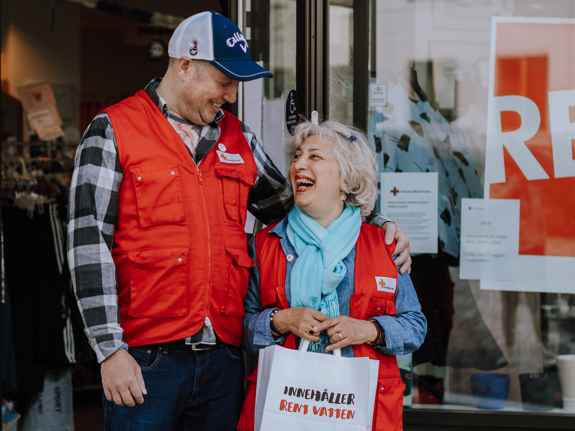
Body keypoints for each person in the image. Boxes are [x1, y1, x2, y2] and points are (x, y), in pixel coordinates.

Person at [67, 11, 412, 431]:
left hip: (223, 361)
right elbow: (88, 247)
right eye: (224, 81)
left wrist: (374, 224)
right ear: (185, 65)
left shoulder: (239, 138)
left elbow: (296, 204)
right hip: (144, 359)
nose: (231, 95)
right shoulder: (114, 130)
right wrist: (108, 351)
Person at [238, 121, 426, 431]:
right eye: (297, 155)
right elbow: (240, 330)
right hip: (286, 406)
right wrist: (280, 321)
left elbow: (415, 327)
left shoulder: (385, 244)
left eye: (315, 157)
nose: (298, 164)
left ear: (347, 180)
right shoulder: (263, 245)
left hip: (365, 410)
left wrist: (369, 330)